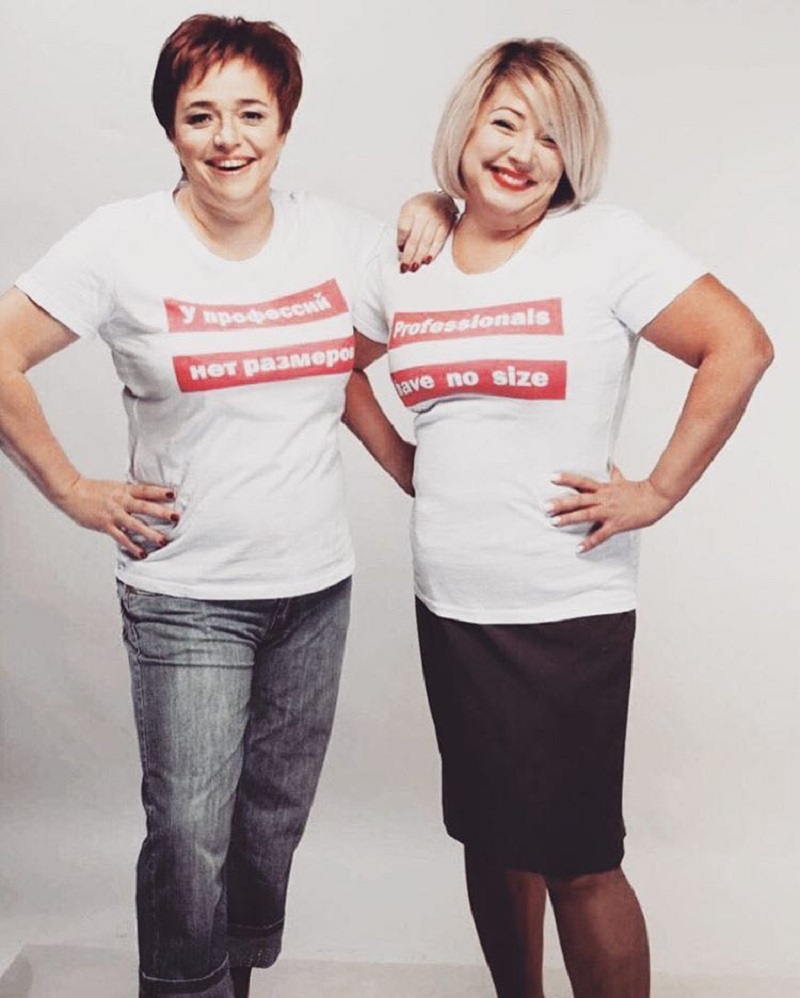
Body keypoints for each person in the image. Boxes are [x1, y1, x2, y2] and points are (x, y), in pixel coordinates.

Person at [0, 14, 456, 998]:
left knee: (268, 819)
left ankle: (231, 977)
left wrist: (434, 203)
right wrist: (73, 489)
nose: (227, 137)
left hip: (313, 587)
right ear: (170, 127)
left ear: (284, 122)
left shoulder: (333, 234)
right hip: (187, 594)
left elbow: (398, 322)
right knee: (188, 832)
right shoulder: (122, 241)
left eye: (251, 111)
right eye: (199, 113)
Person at [346, 38, 773, 998]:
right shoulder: (408, 254)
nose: (524, 152)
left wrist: (657, 490)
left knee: (578, 856)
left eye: (553, 138)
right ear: (465, 127)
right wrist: (404, 462)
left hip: (565, 607)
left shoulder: (604, 244)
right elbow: (335, 356)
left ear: (572, 162)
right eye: (506, 123)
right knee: (491, 836)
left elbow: (739, 344)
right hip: (450, 599)